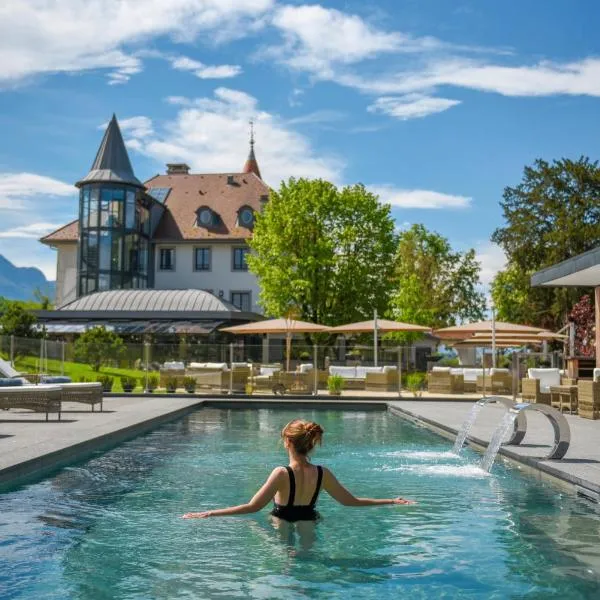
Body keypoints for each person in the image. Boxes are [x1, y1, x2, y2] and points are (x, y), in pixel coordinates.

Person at [182, 419, 415, 521]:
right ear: (310, 444)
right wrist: (391, 501)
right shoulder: (323, 473)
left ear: (287, 442)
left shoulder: (281, 473)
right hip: (310, 520)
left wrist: (210, 513)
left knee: (289, 566)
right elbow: (350, 501)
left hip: (281, 522)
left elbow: (252, 507)